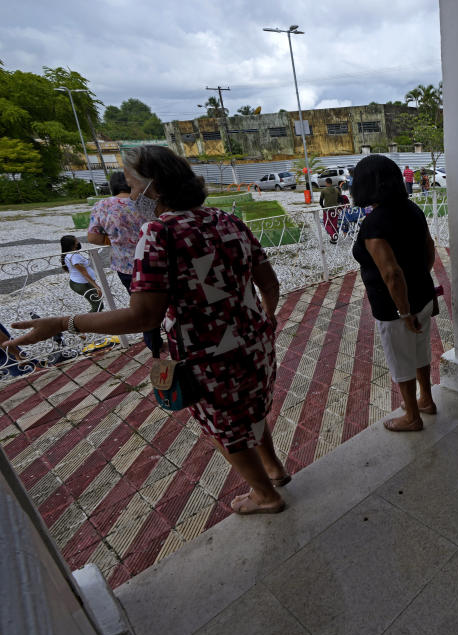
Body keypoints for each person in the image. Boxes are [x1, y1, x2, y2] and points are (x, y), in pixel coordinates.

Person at [6, 145, 289, 515]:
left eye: (134, 184)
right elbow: (270, 283)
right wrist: (266, 320)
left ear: (154, 188)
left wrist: (63, 323)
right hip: (254, 343)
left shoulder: (159, 234)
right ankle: (274, 468)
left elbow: (143, 318)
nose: (132, 193)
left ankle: (265, 495)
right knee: (249, 409)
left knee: (223, 427)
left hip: (207, 355)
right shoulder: (227, 220)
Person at [351, 155, 437, 431]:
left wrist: (404, 310)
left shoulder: (374, 224)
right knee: (421, 350)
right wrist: (420, 278)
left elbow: (391, 274)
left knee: (401, 359)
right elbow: (429, 247)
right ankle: (426, 400)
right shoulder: (412, 209)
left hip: (396, 307)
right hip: (423, 295)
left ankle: (412, 416)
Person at [87, 171, 162, 351]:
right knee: (167, 300)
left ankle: (154, 346)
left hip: (127, 266)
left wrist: (113, 239)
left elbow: (93, 237)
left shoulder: (102, 206)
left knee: (141, 308)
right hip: (156, 259)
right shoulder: (144, 202)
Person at [61, 235, 104, 313]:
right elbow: (84, 273)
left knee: (98, 304)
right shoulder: (74, 257)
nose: (78, 242)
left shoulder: (71, 254)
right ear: (72, 244)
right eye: (76, 241)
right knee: (98, 306)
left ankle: (95, 321)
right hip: (81, 284)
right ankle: (87, 322)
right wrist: (97, 287)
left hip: (83, 283)